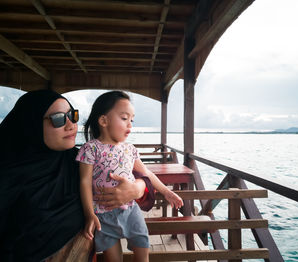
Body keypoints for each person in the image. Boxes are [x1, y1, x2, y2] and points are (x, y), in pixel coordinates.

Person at [0, 90, 154, 262]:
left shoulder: (77, 162)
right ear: (31, 124)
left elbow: (143, 180)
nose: (71, 125)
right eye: (58, 118)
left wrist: (137, 188)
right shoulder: (7, 177)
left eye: (72, 115)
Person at [76, 91, 183, 262]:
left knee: (142, 249)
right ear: (103, 121)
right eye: (124, 118)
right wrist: (89, 214)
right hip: (103, 214)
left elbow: (146, 173)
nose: (130, 125)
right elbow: (84, 181)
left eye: (132, 120)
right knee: (113, 259)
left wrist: (166, 192)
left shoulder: (129, 149)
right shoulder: (90, 149)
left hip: (132, 211)